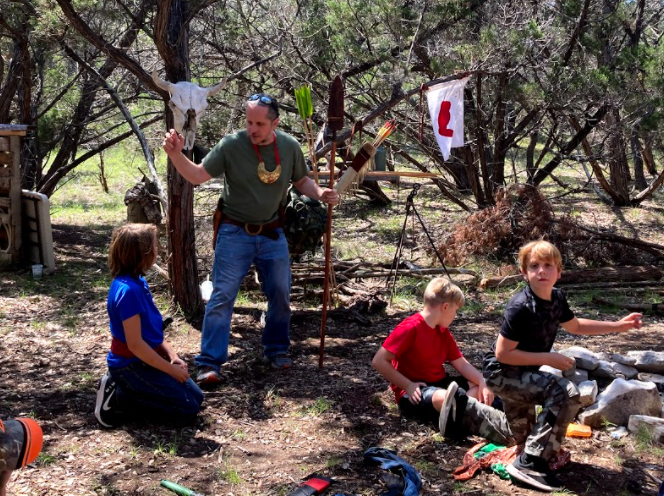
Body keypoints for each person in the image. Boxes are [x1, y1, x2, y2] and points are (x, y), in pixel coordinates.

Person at [162, 93, 339, 386]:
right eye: (248, 122)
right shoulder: (231, 145)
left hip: (272, 232)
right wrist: (175, 154)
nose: (252, 129)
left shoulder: (289, 146)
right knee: (222, 297)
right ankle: (209, 363)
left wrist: (320, 193)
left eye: (259, 123)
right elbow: (196, 176)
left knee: (281, 294)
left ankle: (276, 350)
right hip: (234, 232)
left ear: (275, 123)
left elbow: (301, 180)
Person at [482, 240, 643, 492]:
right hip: (502, 373)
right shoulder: (520, 307)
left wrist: (619, 325)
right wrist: (549, 358)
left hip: (523, 371)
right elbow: (503, 354)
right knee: (564, 392)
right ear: (524, 273)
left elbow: (576, 326)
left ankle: (470, 414)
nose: (541, 271)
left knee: (523, 437)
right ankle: (530, 464)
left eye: (548, 265)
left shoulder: (556, 297)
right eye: (534, 266)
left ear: (559, 271)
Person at [372, 277, 514, 446]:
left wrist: (483, 381)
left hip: (442, 384)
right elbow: (379, 361)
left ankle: (456, 413)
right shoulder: (410, 327)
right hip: (417, 391)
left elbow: (460, 363)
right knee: (445, 397)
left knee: (476, 388)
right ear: (445, 307)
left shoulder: (442, 332)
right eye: (455, 310)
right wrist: (407, 385)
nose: (455, 316)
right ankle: (490, 424)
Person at [94, 224, 204, 428]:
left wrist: (173, 358)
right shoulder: (128, 292)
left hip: (146, 359)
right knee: (188, 408)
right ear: (141, 254)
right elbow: (135, 345)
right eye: (154, 246)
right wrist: (170, 371)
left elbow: (153, 332)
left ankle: (132, 391)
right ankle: (119, 397)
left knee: (196, 397)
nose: (157, 249)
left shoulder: (139, 282)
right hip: (130, 366)